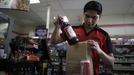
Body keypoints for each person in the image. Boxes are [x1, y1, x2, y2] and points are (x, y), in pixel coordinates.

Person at [51, 1, 115, 75]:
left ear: (99, 17)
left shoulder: (104, 35)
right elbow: (54, 41)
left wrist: (100, 51)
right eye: (87, 16)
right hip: (72, 72)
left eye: (94, 17)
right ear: (83, 14)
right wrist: (57, 27)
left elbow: (111, 62)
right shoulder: (72, 30)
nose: (89, 21)